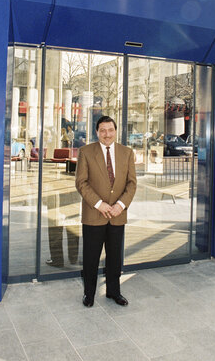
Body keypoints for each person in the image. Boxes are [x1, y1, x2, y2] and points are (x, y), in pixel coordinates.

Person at [75, 115, 136, 307]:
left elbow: (132, 184)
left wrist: (121, 205)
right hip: (95, 214)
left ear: (115, 131)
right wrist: (99, 204)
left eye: (110, 130)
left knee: (115, 257)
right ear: (97, 132)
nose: (107, 134)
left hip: (117, 215)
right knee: (91, 258)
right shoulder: (86, 152)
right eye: (102, 130)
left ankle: (114, 292)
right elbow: (81, 183)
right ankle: (89, 294)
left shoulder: (127, 152)